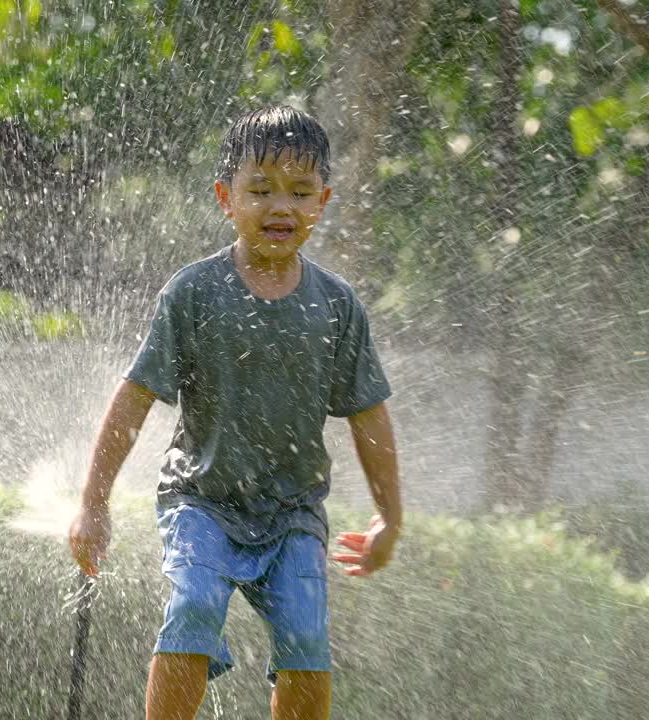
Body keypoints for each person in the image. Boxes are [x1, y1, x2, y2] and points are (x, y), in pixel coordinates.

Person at [68, 105, 401, 720]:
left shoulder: (336, 306)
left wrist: (389, 516)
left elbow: (369, 415)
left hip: (293, 508)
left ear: (322, 201)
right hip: (201, 500)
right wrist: (94, 504)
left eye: (300, 192)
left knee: (306, 633)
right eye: (261, 189)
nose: (282, 206)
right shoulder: (194, 292)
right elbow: (134, 400)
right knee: (195, 602)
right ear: (227, 197)